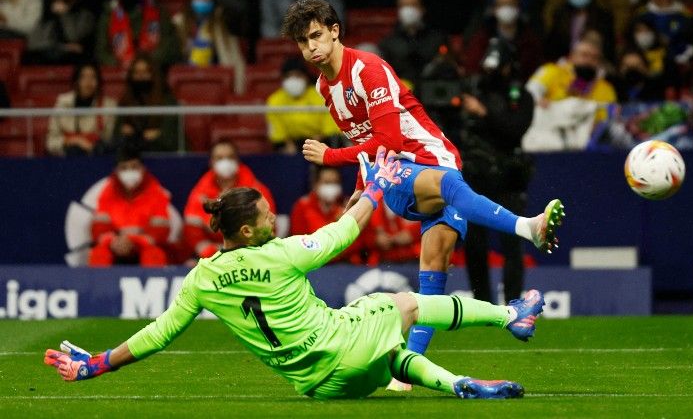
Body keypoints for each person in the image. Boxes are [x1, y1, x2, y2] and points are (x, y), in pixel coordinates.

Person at [44, 146, 546, 400]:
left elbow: (159, 334)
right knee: (403, 305)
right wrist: (378, 186)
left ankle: (459, 383)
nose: (272, 219)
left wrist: (99, 363)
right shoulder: (280, 254)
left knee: (389, 352)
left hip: (320, 385)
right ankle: (509, 315)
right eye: (264, 217)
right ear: (245, 232)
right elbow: (345, 233)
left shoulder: (201, 279)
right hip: (345, 346)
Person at [286, 0, 563, 389]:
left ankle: (417, 368)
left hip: (439, 159)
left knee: (433, 272)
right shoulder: (325, 88)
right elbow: (375, 143)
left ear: (335, 31)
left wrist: (332, 156)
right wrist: (362, 185)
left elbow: (387, 136)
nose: (310, 47)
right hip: (404, 173)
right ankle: (527, 227)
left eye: (316, 36)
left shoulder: (367, 69)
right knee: (447, 189)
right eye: (302, 41)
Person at [461, 37, 535, 303]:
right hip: (475, 177)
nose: (491, 73)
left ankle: (514, 303)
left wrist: (484, 113)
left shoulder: (521, 96)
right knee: (474, 244)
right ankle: (482, 303)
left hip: (508, 178)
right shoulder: (473, 91)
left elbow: (515, 129)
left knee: (512, 243)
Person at [184, 139, 276, 259]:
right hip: (210, 255)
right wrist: (210, 253)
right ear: (211, 162)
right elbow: (192, 231)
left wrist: (246, 252)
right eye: (219, 158)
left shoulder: (256, 189)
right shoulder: (200, 191)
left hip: (251, 254)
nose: (225, 162)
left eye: (230, 157)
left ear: (237, 160)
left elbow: (269, 227)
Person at [88, 144, 171, 267]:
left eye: (134, 167)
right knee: (98, 253)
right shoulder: (107, 192)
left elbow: (159, 232)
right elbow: (100, 228)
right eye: (124, 168)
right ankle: (98, 285)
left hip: (143, 246)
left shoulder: (157, 192)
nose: (129, 172)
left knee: (155, 254)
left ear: (143, 169)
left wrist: (133, 241)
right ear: (116, 171)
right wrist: (113, 241)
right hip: (115, 245)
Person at [526, 38, 616, 122]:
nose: (589, 61)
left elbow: (609, 120)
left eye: (594, 58)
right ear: (572, 56)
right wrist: (538, 101)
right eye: (584, 55)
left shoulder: (606, 88)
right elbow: (530, 93)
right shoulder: (551, 71)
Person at [290, 166, 366, 264]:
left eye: (335, 183)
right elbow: (299, 243)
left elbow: (358, 243)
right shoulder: (302, 207)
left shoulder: (348, 206)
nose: (331, 187)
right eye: (327, 183)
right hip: (311, 265)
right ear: (315, 184)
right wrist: (339, 225)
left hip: (344, 265)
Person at [265, 57, 341, 154]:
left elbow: (330, 131)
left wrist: (313, 145)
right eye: (288, 76)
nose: (293, 80)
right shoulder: (274, 101)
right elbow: (277, 136)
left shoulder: (321, 95)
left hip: (321, 142)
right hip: (291, 145)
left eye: (297, 76)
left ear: (306, 77)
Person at [173, 0, 247, 94]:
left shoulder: (226, 16)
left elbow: (241, 8)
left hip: (221, 82)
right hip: (189, 83)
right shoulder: (178, 22)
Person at [462, 0, 544, 80]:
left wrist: (515, 69)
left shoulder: (529, 40)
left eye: (511, 4)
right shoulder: (481, 38)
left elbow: (536, 72)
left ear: (518, 8)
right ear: (494, 9)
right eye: (502, 5)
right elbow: (471, 69)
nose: (507, 9)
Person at [46, 63, 117, 157]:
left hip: (96, 156)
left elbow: (109, 140)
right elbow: (51, 142)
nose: (89, 82)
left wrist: (92, 145)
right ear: (76, 81)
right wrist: (74, 141)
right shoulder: (62, 103)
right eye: (84, 77)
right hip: (66, 157)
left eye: (93, 77)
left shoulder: (108, 106)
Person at [114, 53, 179, 152]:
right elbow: (115, 135)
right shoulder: (125, 102)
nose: (140, 76)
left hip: (163, 156)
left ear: (154, 75)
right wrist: (123, 131)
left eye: (145, 72)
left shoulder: (168, 102)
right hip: (131, 157)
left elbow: (170, 140)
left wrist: (157, 135)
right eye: (136, 72)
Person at [378, 0, 447, 87]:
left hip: (431, 93)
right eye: (403, 6)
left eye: (413, 5)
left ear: (422, 9)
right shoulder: (387, 43)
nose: (408, 10)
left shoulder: (438, 39)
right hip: (401, 94)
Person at [95, 0, 180, 68]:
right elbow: (101, 52)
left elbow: (169, 44)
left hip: (154, 71)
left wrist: (148, 62)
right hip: (121, 72)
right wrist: (119, 63)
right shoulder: (108, 15)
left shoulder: (157, 10)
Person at [542, 0, 616, 64]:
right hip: (563, 64)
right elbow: (552, 45)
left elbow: (609, 49)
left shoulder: (603, 17)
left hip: (592, 65)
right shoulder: (560, 15)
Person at [25, 0, 96, 65]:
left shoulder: (85, 15)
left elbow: (72, 37)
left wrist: (64, 15)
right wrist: (63, 47)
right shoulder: (48, 15)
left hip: (74, 61)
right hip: (48, 57)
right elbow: (33, 44)